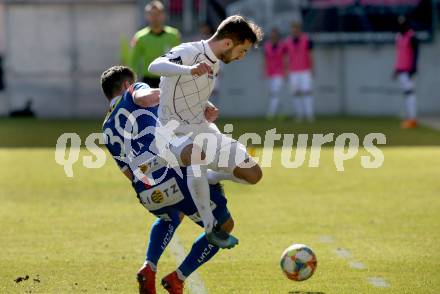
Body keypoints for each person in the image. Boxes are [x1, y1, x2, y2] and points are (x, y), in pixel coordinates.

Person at [101, 66, 237, 294]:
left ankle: (149, 266)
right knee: (223, 226)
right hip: (172, 173)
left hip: (146, 192)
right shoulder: (134, 91)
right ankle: (178, 278)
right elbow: (146, 96)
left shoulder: (105, 128)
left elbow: (128, 172)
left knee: (170, 216)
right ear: (126, 85)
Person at [148, 15, 263, 245]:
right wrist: (188, 69)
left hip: (201, 129)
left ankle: (209, 177)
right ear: (229, 43)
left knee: (253, 174)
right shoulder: (189, 51)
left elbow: (190, 95)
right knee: (196, 155)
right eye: (243, 50)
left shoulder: (216, 63)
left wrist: (206, 107)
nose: (241, 57)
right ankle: (210, 224)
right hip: (171, 132)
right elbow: (154, 66)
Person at [130, 0, 181, 88]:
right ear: (147, 16)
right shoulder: (140, 37)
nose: (155, 17)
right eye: (152, 14)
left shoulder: (174, 35)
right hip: (148, 80)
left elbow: (179, 58)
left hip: (168, 79)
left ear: (163, 15)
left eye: (158, 14)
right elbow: (134, 61)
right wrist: (132, 81)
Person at [284, 21, 315, 122]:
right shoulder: (287, 41)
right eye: (293, 28)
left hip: (305, 70)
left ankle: (309, 115)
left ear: (300, 29)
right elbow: (286, 57)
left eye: (297, 28)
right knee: (295, 93)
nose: (295, 30)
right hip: (293, 71)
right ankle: (299, 115)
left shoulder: (306, 39)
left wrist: (312, 68)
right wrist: (286, 70)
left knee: (307, 92)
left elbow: (310, 55)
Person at [393, 15, 419, 129]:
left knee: (410, 93)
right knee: (407, 94)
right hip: (401, 70)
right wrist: (396, 69)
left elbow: (416, 54)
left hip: (408, 70)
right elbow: (399, 55)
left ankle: (412, 119)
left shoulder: (412, 37)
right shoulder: (398, 37)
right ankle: (409, 118)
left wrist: (413, 68)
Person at [264, 28, 286, 119]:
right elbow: (265, 59)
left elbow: (285, 59)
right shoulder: (267, 46)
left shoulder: (282, 46)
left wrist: (286, 70)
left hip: (279, 72)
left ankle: (271, 113)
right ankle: (280, 113)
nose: (273, 37)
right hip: (270, 72)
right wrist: (264, 70)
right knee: (274, 94)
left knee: (275, 93)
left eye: (275, 35)